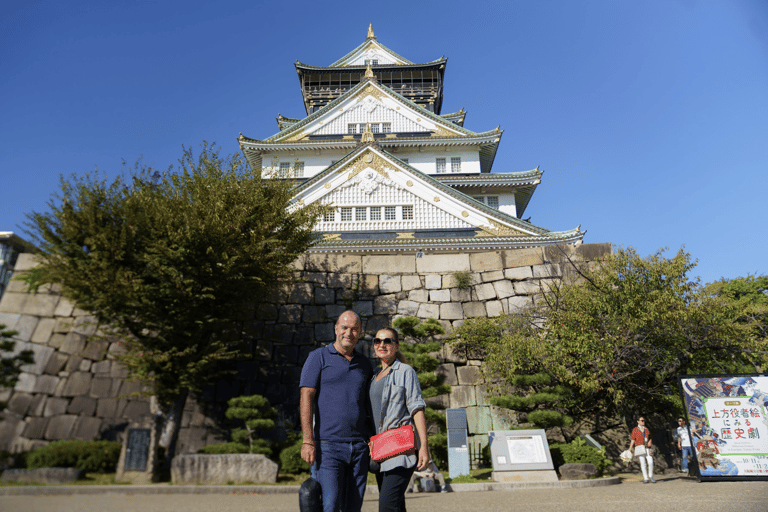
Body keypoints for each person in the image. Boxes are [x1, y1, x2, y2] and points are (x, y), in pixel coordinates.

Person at [300, 310, 373, 512]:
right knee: (329, 506)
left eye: (354, 329)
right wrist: (308, 440)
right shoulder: (318, 358)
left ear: (360, 332)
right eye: (345, 327)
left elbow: (369, 406)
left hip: (359, 447)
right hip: (328, 446)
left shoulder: (365, 364)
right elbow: (306, 397)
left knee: (353, 507)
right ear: (336, 329)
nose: (349, 333)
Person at [369, 327, 429, 512]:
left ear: (396, 346)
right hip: (380, 451)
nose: (382, 344)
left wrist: (424, 447)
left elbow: (416, 408)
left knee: (387, 506)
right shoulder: (373, 376)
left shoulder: (405, 372)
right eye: (377, 341)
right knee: (395, 506)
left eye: (388, 341)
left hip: (400, 452)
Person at [628, 416, 655, 484]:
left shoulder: (646, 429)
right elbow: (633, 439)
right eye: (642, 420)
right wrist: (630, 448)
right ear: (638, 421)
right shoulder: (635, 429)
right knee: (643, 463)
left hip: (647, 448)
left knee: (650, 462)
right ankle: (646, 478)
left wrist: (650, 442)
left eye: (644, 420)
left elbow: (650, 437)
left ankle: (650, 476)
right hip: (639, 447)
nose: (643, 421)